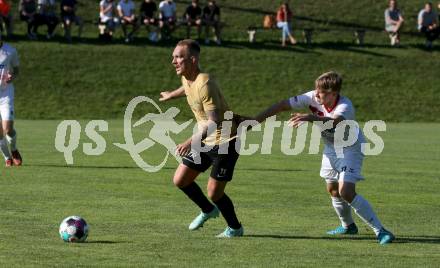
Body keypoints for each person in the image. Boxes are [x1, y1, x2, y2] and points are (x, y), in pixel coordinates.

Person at [253, 71, 395, 245]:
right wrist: (254, 121)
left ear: (333, 93)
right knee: (333, 189)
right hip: (330, 148)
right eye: (316, 89)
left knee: (346, 192)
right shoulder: (312, 96)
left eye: (321, 91)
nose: (316, 94)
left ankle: (381, 231)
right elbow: (282, 105)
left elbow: (334, 122)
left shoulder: (345, 105)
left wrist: (310, 117)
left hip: (350, 148)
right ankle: (348, 226)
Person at [158, 39, 244, 237]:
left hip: (225, 142)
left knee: (215, 192)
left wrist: (190, 141)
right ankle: (208, 210)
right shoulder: (187, 77)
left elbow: (213, 122)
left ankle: (235, 228)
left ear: (193, 60)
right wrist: (172, 94)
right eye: (173, 57)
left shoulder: (205, 83)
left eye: (178, 57)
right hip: (206, 140)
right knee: (180, 180)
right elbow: (188, 88)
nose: (174, 61)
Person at [0, 37, 22, 167]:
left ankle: (13, 149)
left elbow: (17, 70)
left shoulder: (10, 51)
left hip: (5, 94)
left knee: (7, 129)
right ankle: (7, 157)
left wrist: (12, 76)